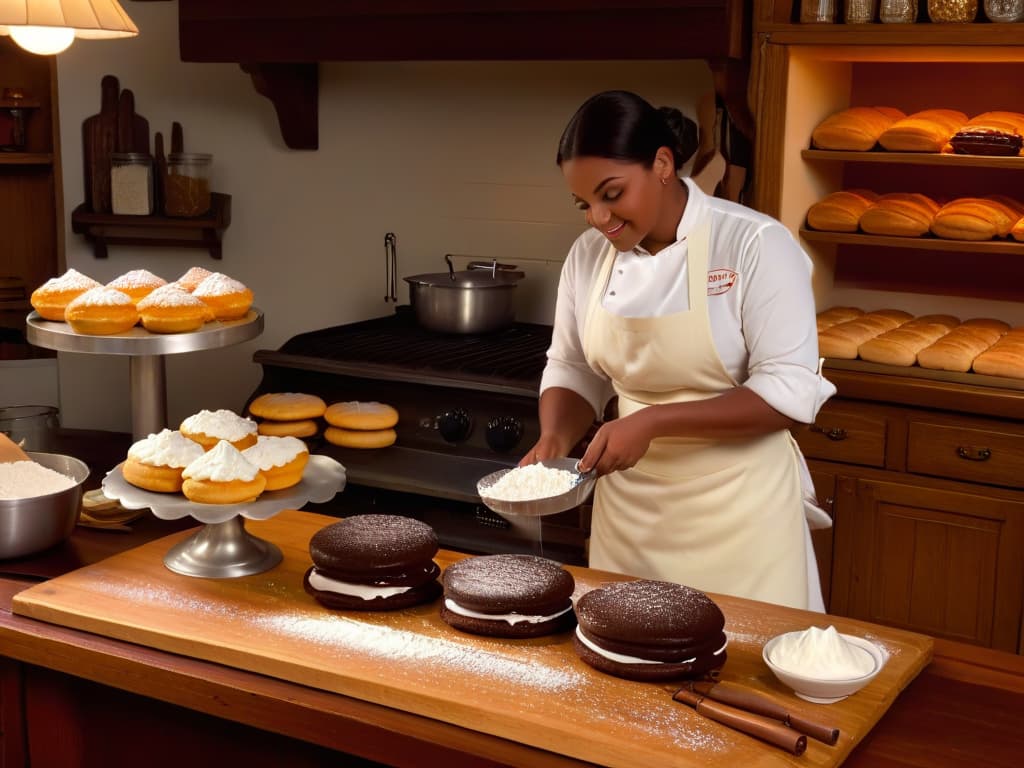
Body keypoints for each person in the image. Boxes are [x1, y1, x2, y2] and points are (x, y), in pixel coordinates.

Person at [524, 90, 836, 610]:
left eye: (612, 193)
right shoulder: (587, 256)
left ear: (663, 164)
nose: (597, 218)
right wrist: (555, 437)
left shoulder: (755, 245)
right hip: (630, 517)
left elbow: (788, 394)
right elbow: (573, 365)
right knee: (623, 666)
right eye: (584, 203)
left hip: (741, 519)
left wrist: (650, 422)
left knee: (737, 671)